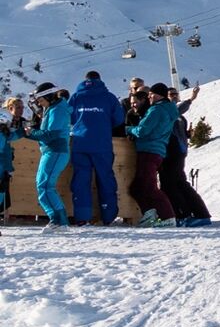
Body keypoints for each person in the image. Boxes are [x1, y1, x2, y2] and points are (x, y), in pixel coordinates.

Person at [67, 69, 123, 225]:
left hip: (80, 143)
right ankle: (109, 216)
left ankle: (82, 217)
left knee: (81, 180)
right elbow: (119, 119)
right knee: (105, 178)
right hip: (102, 144)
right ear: (100, 79)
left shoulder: (76, 97)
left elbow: (68, 117)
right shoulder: (109, 97)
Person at [129, 84, 182, 226]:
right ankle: (149, 213)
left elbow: (142, 131)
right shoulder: (168, 109)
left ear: (159, 95)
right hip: (156, 150)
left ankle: (168, 217)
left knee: (149, 186)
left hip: (149, 150)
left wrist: (129, 129)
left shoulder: (157, 110)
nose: (149, 97)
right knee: (137, 187)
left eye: (151, 94)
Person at [161, 87, 211, 225]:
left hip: (175, 152)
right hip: (176, 151)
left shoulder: (174, 113)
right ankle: (196, 214)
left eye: (175, 94)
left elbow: (178, 110)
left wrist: (191, 99)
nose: (174, 96)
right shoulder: (175, 114)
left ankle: (185, 215)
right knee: (179, 182)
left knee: (173, 184)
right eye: (171, 94)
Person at [26, 84, 72, 225]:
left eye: (41, 100)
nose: (39, 104)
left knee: (45, 186)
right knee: (43, 185)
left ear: (49, 97)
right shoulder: (52, 108)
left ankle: (59, 221)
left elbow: (51, 134)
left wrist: (30, 133)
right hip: (50, 151)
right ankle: (57, 219)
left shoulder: (58, 110)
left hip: (55, 151)